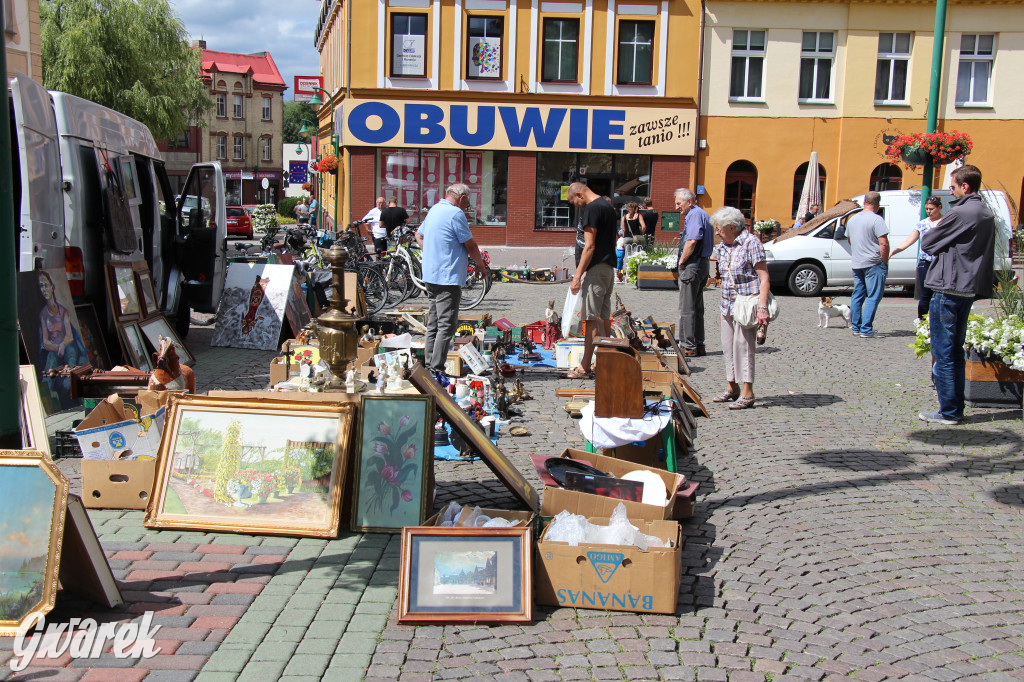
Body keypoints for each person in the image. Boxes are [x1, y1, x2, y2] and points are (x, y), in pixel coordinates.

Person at [918, 165, 996, 425]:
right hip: (966, 287)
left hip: (949, 285)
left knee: (945, 352)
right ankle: (954, 407)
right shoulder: (985, 211)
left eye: (952, 187)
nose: (950, 192)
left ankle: (949, 410)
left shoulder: (961, 212)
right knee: (955, 350)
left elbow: (928, 242)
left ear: (965, 186)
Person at [415, 184, 488, 372]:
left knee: (434, 323)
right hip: (447, 277)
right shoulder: (456, 214)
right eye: (467, 203)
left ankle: (429, 365)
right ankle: (436, 368)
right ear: (462, 198)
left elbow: (418, 235)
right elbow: (470, 245)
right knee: (446, 325)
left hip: (431, 275)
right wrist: (481, 265)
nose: (467, 207)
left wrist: (432, 254)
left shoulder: (434, 210)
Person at [709, 207, 770, 410]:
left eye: (719, 229)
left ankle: (748, 392)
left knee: (744, 347)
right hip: (727, 304)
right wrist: (722, 309)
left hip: (746, 303)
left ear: (732, 228)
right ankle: (732, 386)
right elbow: (725, 278)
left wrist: (762, 308)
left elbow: (764, 277)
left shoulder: (751, 243)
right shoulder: (723, 247)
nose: (717, 232)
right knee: (728, 346)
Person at [566, 182, 618, 379]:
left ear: (580, 194)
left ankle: (585, 367)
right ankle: (605, 362)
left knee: (592, 319)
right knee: (603, 319)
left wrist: (577, 276)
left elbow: (589, 246)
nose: (577, 206)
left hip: (596, 270)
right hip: (607, 270)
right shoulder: (607, 207)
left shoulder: (593, 209)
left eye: (575, 202)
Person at [37, 270, 86, 409]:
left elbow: (69, 336)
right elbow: (45, 342)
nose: (44, 289)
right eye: (41, 286)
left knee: (71, 356)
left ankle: (73, 387)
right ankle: (47, 398)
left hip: (67, 346)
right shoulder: (43, 315)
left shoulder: (63, 311)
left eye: (46, 285)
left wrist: (62, 346)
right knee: (51, 360)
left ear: (52, 287)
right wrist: (56, 348)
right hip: (54, 349)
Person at [890, 196, 942, 319]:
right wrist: (893, 251)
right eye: (927, 209)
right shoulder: (922, 224)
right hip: (925, 261)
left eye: (932, 209)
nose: (929, 211)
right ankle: (922, 321)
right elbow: (909, 241)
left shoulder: (945, 222)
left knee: (939, 293)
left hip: (940, 262)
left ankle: (937, 320)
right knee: (925, 294)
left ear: (939, 207)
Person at [676, 188, 713, 357]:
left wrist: (682, 261)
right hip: (701, 264)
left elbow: (692, 240)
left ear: (689, 202)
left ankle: (688, 346)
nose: (677, 207)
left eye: (679, 203)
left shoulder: (694, 215)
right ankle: (698, 344)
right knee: (697, 307)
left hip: (693, 264)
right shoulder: (701, 213)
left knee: (687, 307)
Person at [847, 191, 890, 338]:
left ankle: (856, 326)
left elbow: (849, 240)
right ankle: (866, 328)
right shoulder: (877, 220)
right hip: (873, 262)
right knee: (873, 296)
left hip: (857, 262)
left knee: (857, 294)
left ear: (865, 202)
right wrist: (884, 261)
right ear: (877, 204)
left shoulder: (852, 219)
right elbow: (883, 243)